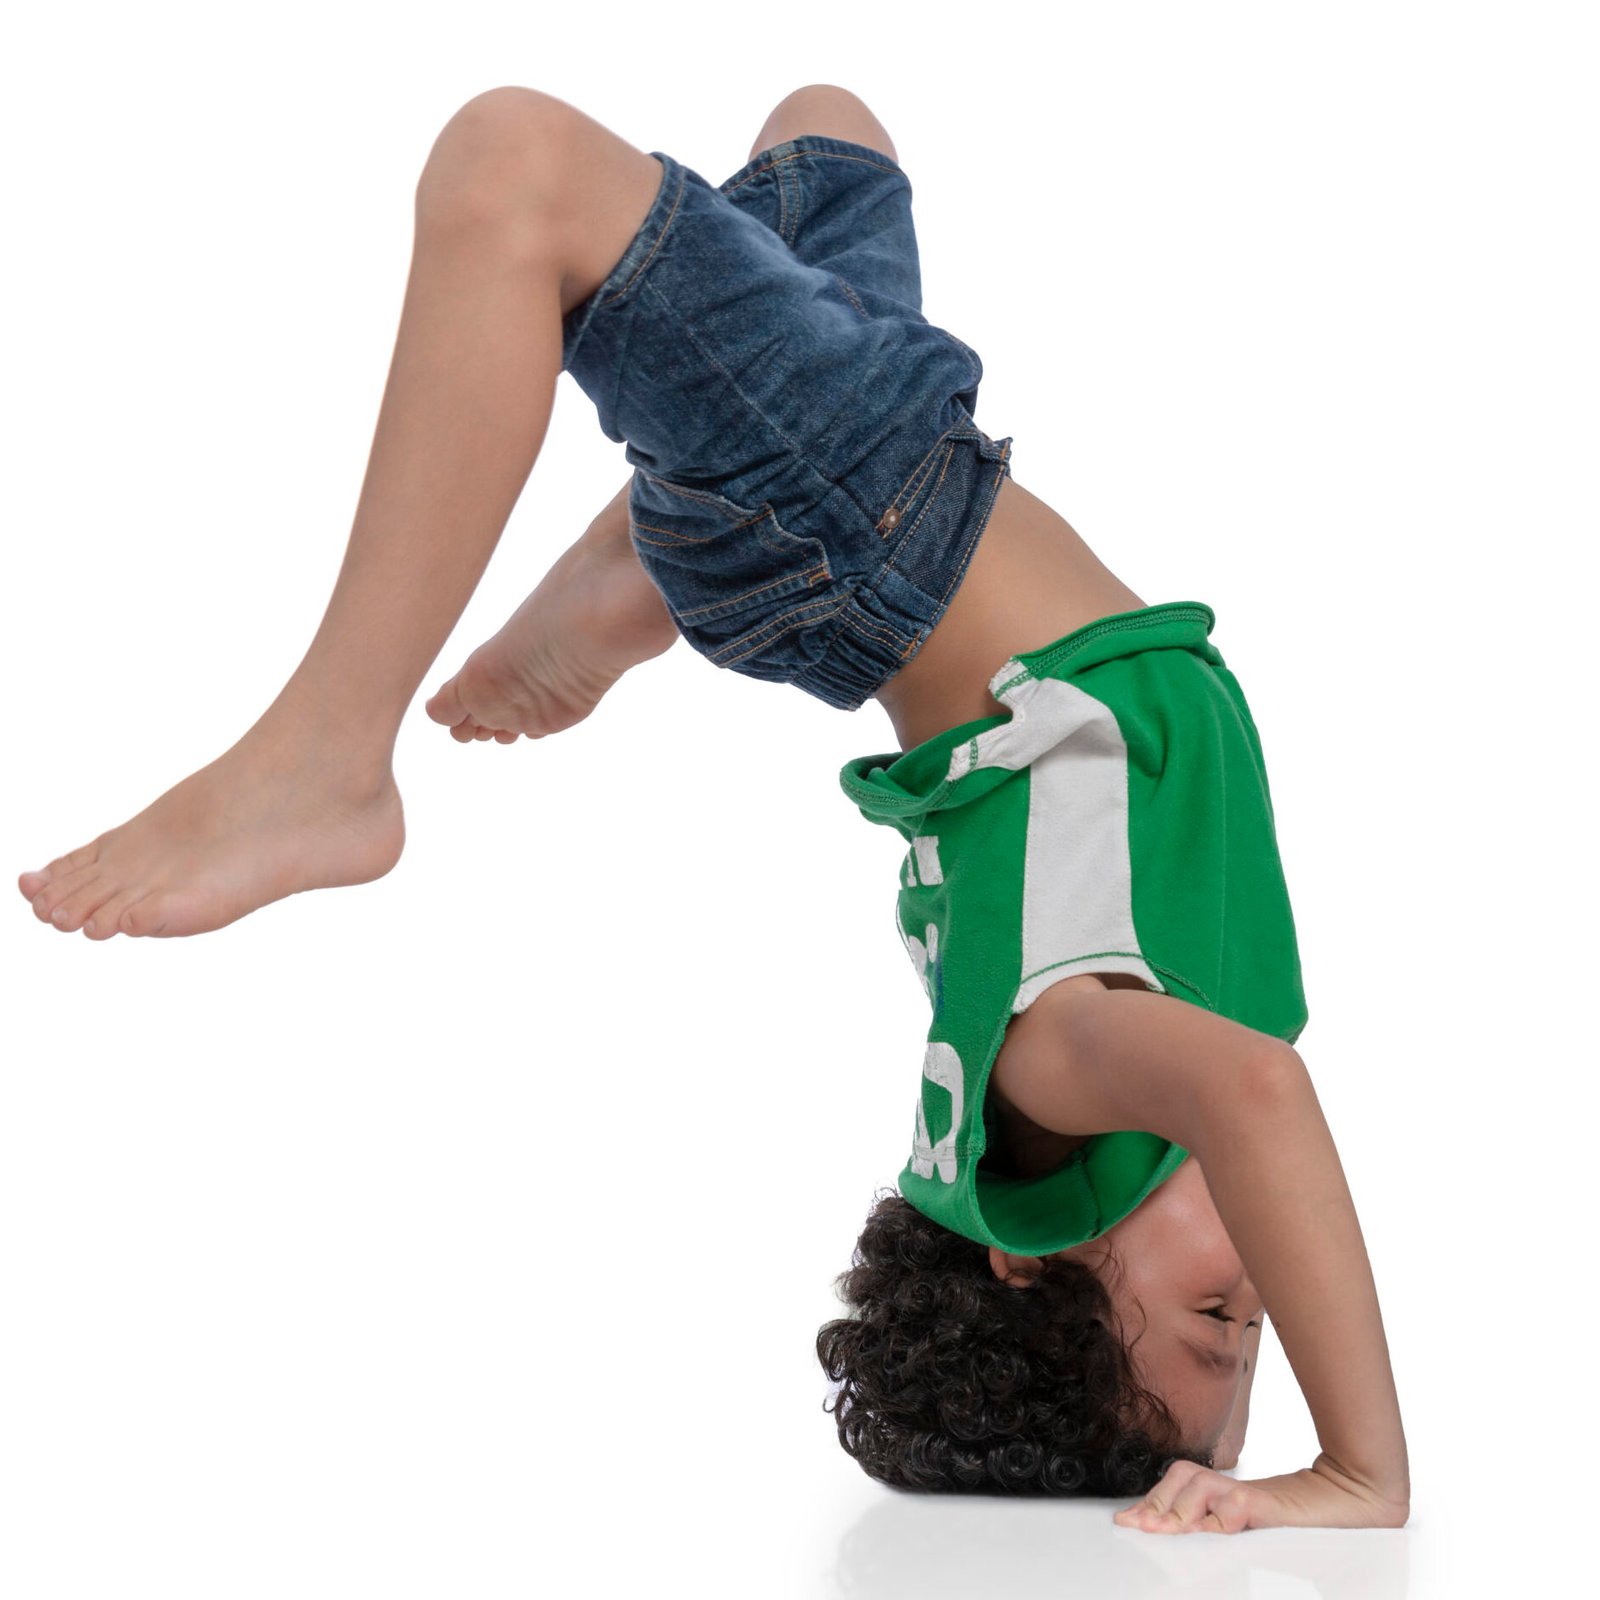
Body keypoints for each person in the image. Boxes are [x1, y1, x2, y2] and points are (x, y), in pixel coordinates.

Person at [16, 84, 1408, 1532]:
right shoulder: (1118, 1076)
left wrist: (1362, 1466)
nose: (1263, 1281)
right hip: (870, 523)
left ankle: (331, 759)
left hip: (866, 525)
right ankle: (668, 547)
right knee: (832, 138)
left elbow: (1262, 1103)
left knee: (517, 171)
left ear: (1022, 1258)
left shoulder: (1062, 1081)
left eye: (1213, 1324)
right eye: (1262, 1337)